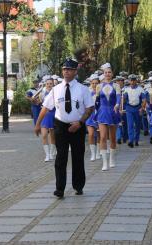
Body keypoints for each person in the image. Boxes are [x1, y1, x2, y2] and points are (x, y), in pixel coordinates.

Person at [34, 58, 94, 199]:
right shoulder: (56, 90)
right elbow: (46, 107)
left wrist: (80, 122)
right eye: (64, 69)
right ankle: (59, 188)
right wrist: (38, 124)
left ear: (75, 71)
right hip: (60, 125)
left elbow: (90, 108)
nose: (66, 72)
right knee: (61, 158)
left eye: (69, 69)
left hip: (77, 126)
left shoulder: (83, 89)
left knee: (77, 156)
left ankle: (78, 185)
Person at [96, 63, 121, 171]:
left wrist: (117, 105)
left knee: (112, 137)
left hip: (113, 111)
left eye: (109, 72)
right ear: (103, 74)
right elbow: (97, 101)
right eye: (105, 72)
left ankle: (112, 159)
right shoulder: (99, 86)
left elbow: (119, 97)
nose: (107, 74)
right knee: (102, 137)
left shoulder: (116, 86)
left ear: (112, 74)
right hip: (102, 112)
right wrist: (95, 111)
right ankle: (104, 162)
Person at [123, 74, 146, 148]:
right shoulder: (126, 89)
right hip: (129, 108)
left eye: (133, 80)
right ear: (129, 81)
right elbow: (123, 99)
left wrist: (142, 108)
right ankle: (131, 140)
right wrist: (120, 107)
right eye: (131, 80)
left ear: (136, 81)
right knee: (130, 125)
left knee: (138, 125)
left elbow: (144, 100)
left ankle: (136, 140)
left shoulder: (140, 89)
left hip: (138, 108)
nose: (132, 82)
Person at [40, 78, 56, 162]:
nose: (49, 85)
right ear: (45, 84)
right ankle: (47, 154)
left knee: (52, 136)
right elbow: (39, 103)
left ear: (53, 84)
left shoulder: (56, 93)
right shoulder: (42, 93)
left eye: (50, 83)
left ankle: (52, 152)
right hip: (44, 116)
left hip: (53, 115)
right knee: (44, 135)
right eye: (47, 84)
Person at [86, 74, 100, 162]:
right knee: (91, 134)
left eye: (96, 83)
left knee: (99, 135)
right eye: (93, 83)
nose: (95, 85)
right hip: (90, 115)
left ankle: (98, 152)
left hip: (99, 115)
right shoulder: (87, 93)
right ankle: (93, 153)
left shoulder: (101, 92)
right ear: (91, 83)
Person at [115, 76, 128, 145]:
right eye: (117, 81)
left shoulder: (126, 89)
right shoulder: (115, 89)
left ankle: (125, 137)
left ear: (123, 81)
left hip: (125, 107)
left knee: (125, 123)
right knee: (118, 123)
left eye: (120, 81)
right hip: (117, 107)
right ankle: (118, 138)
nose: (119, 82)